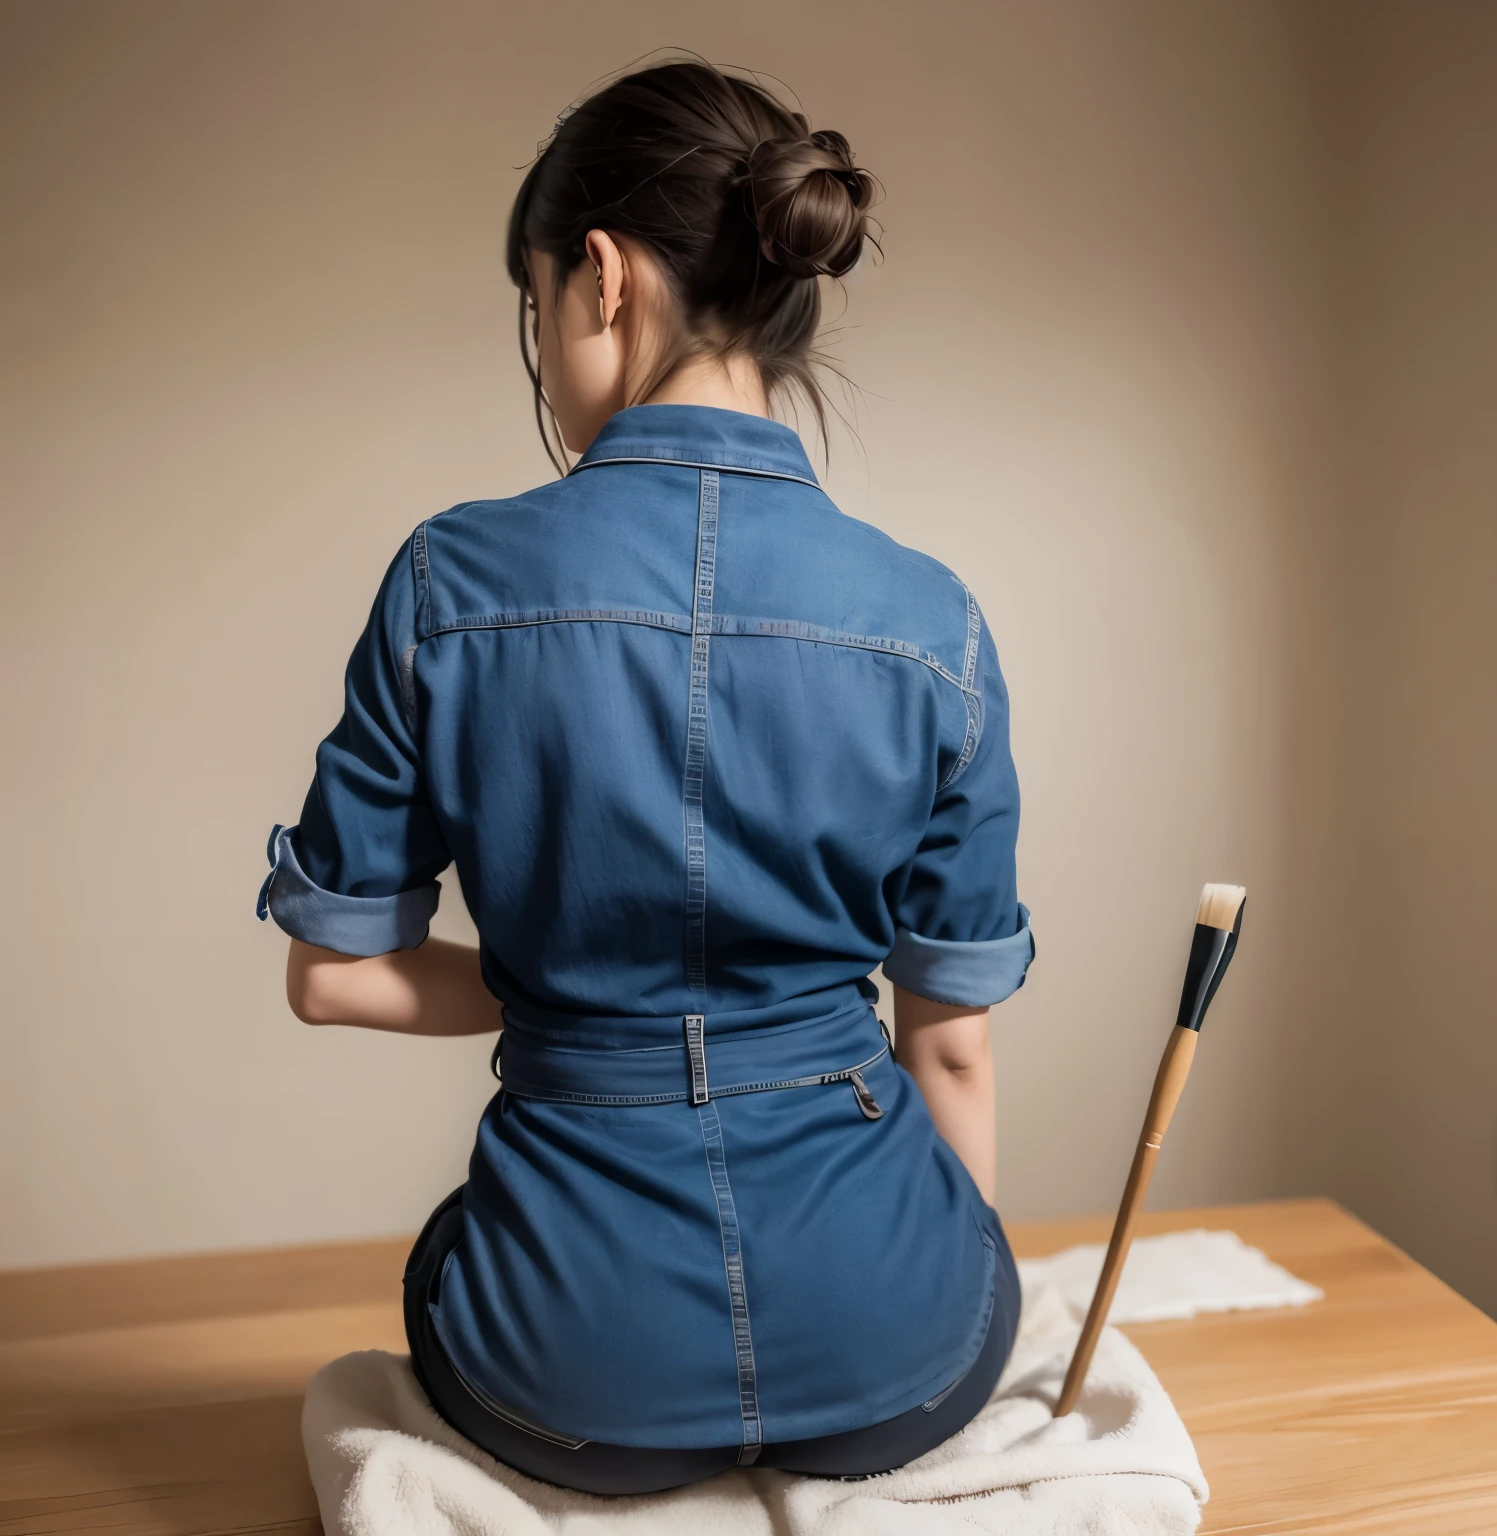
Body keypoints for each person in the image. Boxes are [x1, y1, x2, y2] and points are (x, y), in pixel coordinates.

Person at [258, 58, 1034, 1496]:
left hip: (560, 1379)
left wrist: (584, 987)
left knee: (448, 1261)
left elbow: (333, 974)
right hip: (898, 1362)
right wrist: (936, 1282)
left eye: (534, 304)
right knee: (934, 1276)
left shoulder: (449, 581)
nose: (542, 352)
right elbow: (951, 1046)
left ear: (603, 277)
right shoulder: (937, 622)